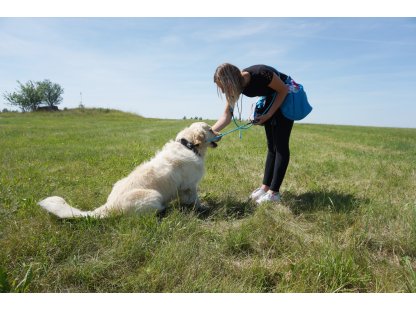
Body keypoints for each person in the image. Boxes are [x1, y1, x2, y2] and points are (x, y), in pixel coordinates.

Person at [212, 63, 295, 204]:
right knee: (271, 147)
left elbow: (283, 90)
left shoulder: (261, 73)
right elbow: (226, 116)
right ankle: (265, 188)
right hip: (271, 100)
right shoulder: (236, 88)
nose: (225, 92)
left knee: (280, 145)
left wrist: (268, 115)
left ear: (231, 81)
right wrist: (210, 132)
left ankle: (274, 193)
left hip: (286, 96)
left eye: (224, 87)